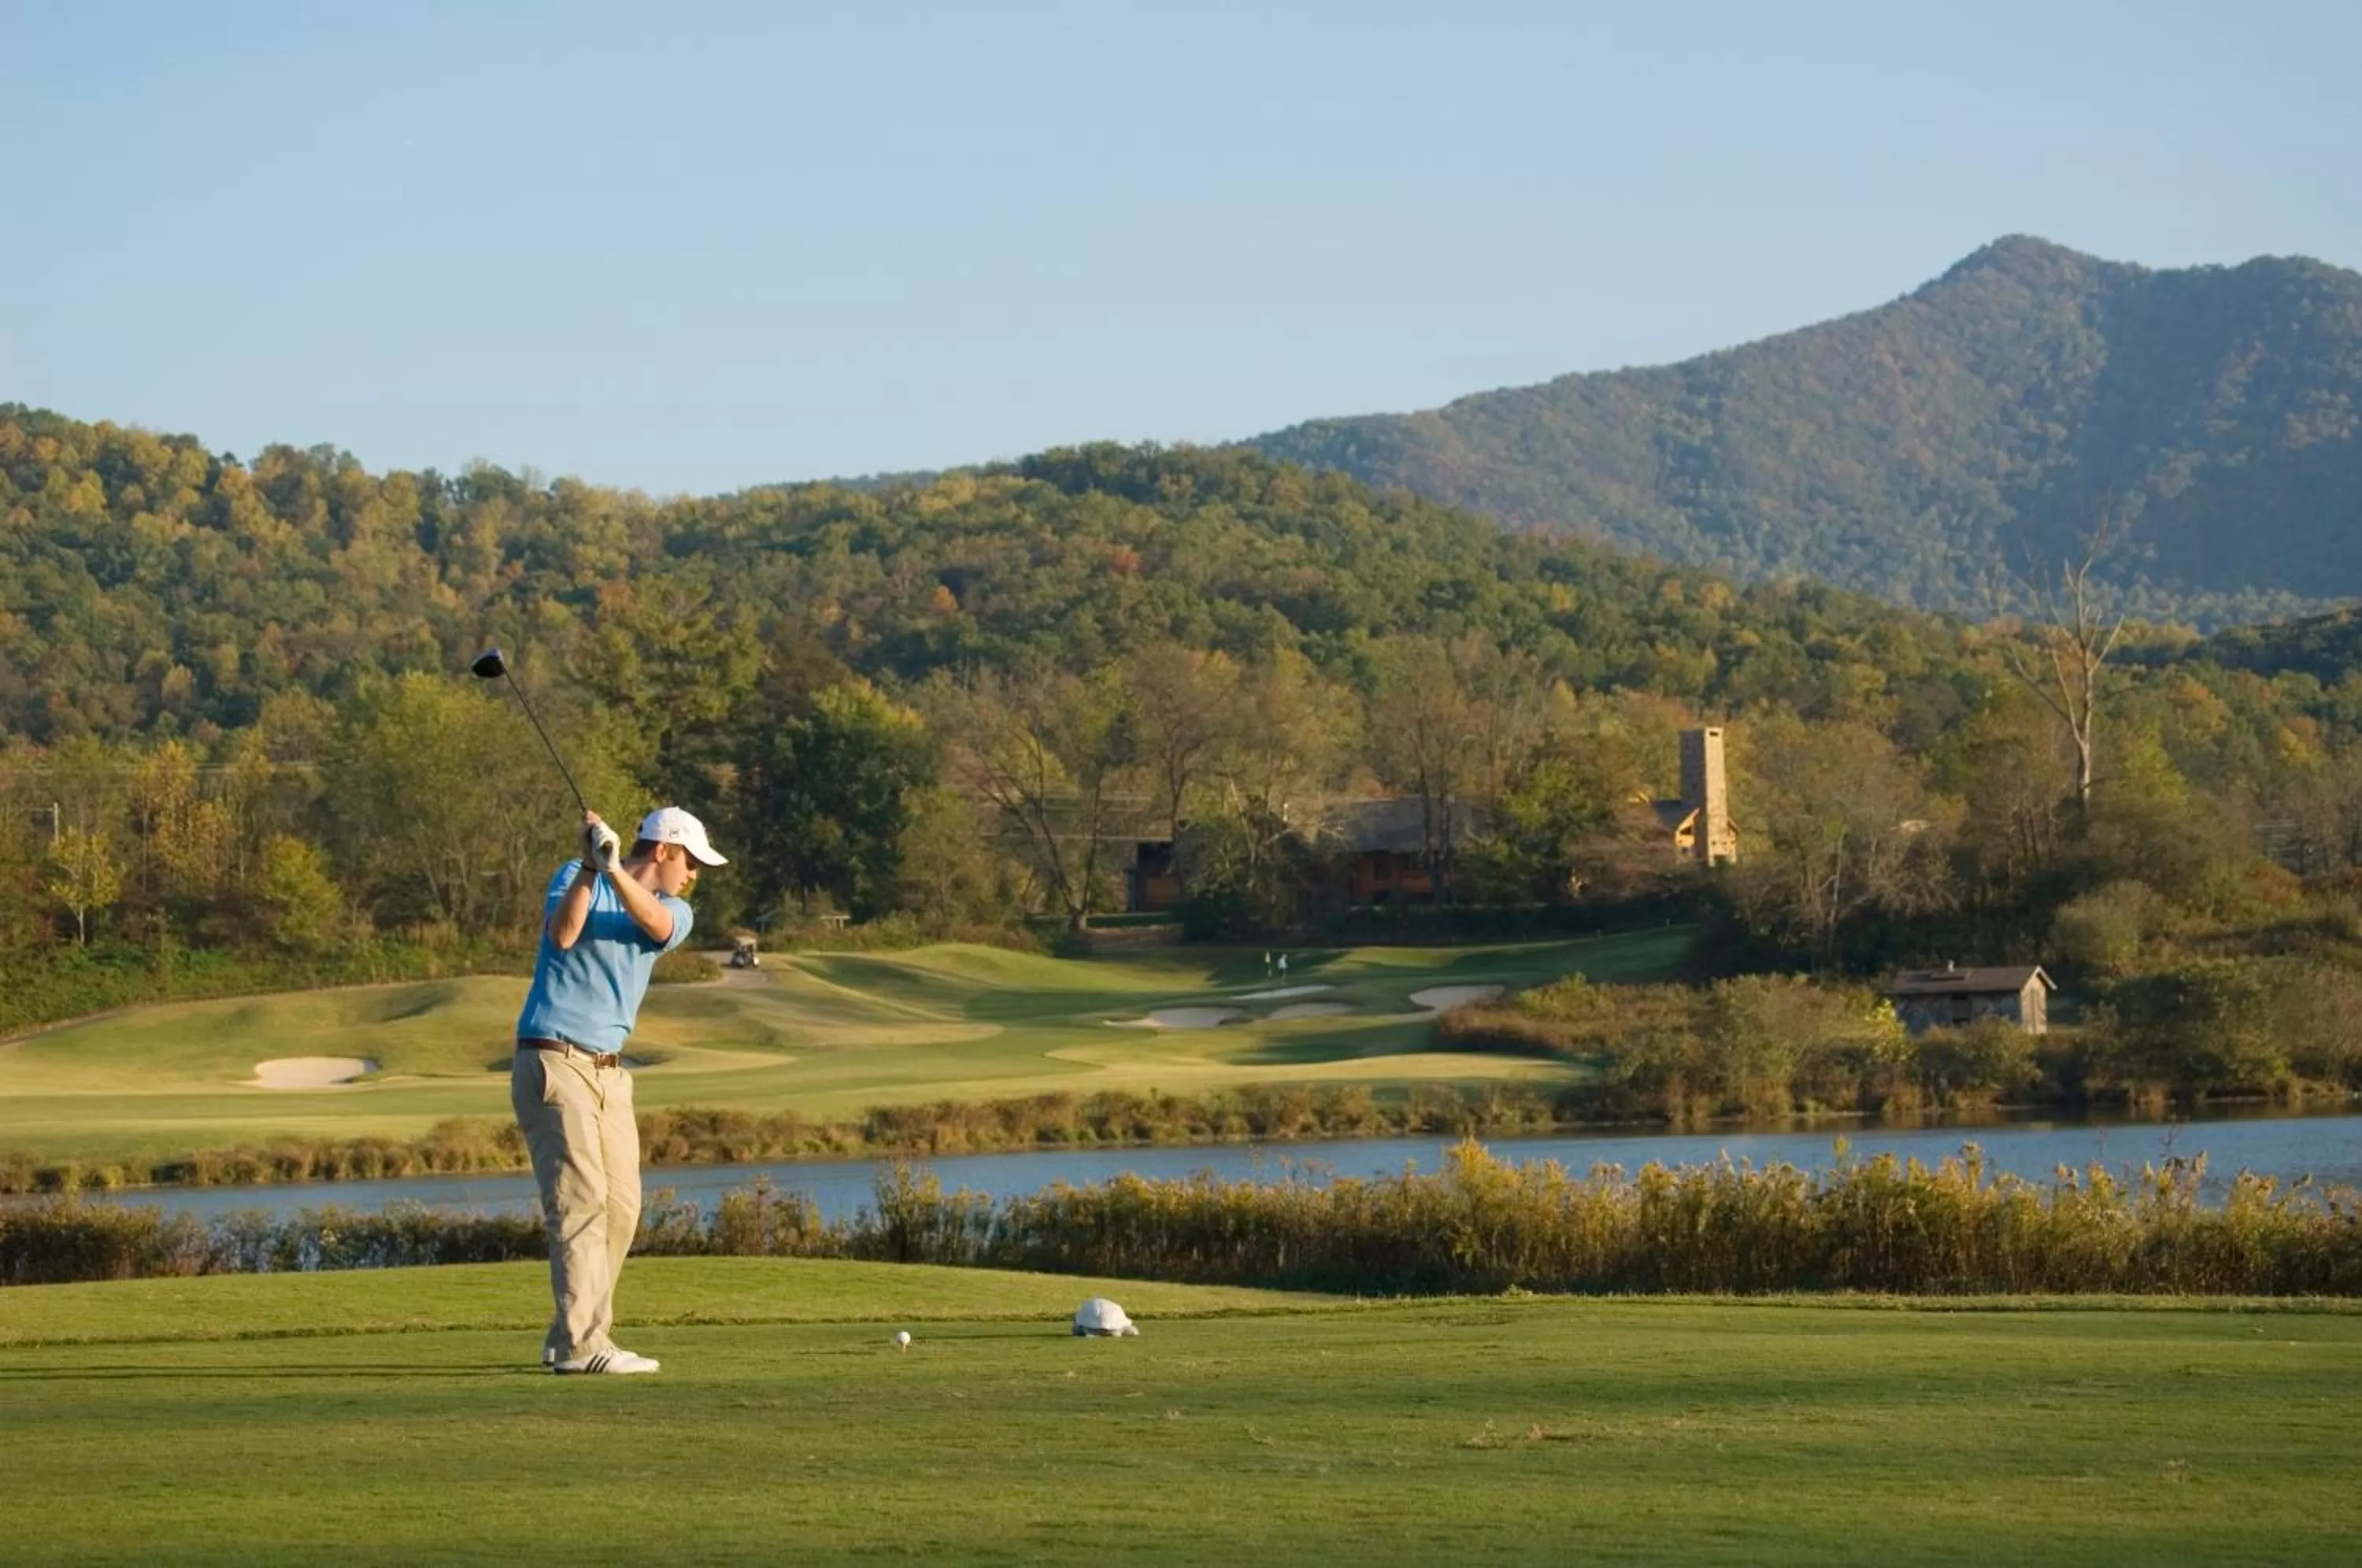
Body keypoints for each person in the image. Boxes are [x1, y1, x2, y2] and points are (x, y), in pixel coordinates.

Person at [511, 804, 725, 1374]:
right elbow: (563, 934)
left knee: (622, 1208)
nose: (694, 875)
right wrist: (589, 867)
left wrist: (611, 872)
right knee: (580, 1208)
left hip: (610, 1072)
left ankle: (570, 1336)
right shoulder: (571, 876)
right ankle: (583, 1346)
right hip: (556, 1061)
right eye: (692, 863)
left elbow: (654, 923)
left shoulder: (675, 910)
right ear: (664, 851)